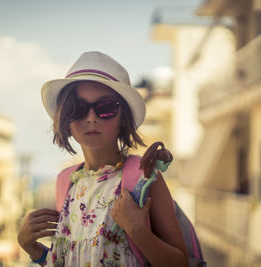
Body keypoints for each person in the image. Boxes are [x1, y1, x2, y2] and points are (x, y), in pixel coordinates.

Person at [17, 51, 188, 267]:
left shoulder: (143, 176)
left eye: (105, 108)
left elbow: (180, 263)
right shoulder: (66, 181)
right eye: (78, 108)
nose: (91, 118)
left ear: (123, 118)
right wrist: (31, 247)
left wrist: (139, 232)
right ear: (66, 117)